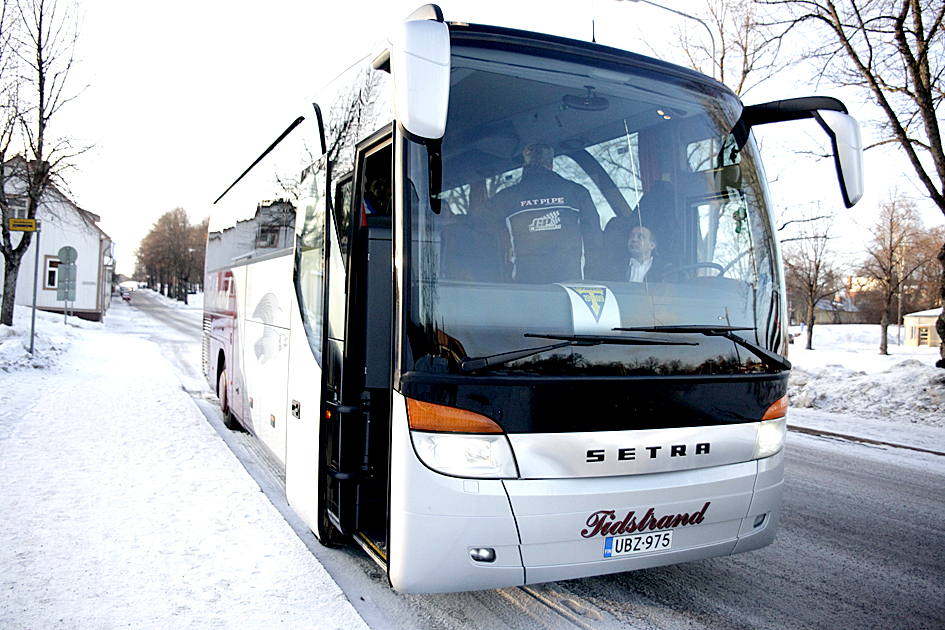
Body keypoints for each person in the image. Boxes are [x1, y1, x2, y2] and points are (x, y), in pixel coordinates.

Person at [490, 143, 601, 283]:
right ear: (551, 165)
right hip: (572, 289)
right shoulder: (577, 193)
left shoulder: (506, 198)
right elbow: (595, 240)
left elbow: (479, 229)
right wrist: (590, 277)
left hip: (524, 289)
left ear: (526, 164)